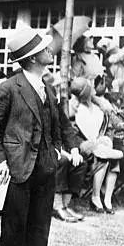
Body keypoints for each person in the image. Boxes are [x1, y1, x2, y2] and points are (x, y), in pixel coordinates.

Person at [0, 26, 60, 246]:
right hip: (18, 164)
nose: (50, 51)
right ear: (32, 58)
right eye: (43, 49)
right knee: (15, 220)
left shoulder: (48, 88)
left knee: (40, 220)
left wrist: (58, 149)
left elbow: (57, 125)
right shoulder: (9, 88)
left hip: (45, 164)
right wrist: (0, 161)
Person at [70, 77, 122, 214]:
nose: (93, 87)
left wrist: (106, 139)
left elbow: (111, 126)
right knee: (103, 157)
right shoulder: (76, 108)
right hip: (84, 145)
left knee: (111, 154)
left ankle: (108, 198)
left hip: (101, 142)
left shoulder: (100, 105)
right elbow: (78, 134)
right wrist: (97, 142)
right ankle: (95, 197)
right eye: (90, 86)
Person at [44, 73, 87, 223]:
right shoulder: (38, 106)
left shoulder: (56, 106)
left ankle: (65, 204)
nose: (56, 91)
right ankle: (56, 207)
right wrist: (63, 153)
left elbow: (67, 129)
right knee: (62, 161)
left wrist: (74, 150)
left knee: (80, 163)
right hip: (41, 149)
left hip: (56, 148)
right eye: (53, 88)